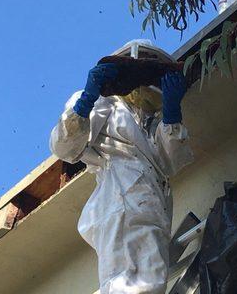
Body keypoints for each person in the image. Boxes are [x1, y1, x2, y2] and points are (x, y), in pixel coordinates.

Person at [49, 39, 194, 294]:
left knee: (143, 282)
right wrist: (85, 102)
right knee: (132, 285)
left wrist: (172, 116)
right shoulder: (109, 104)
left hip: (148, 208)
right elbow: (64, 148)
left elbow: (169, 163)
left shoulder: (150, 122)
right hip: (122, 201)